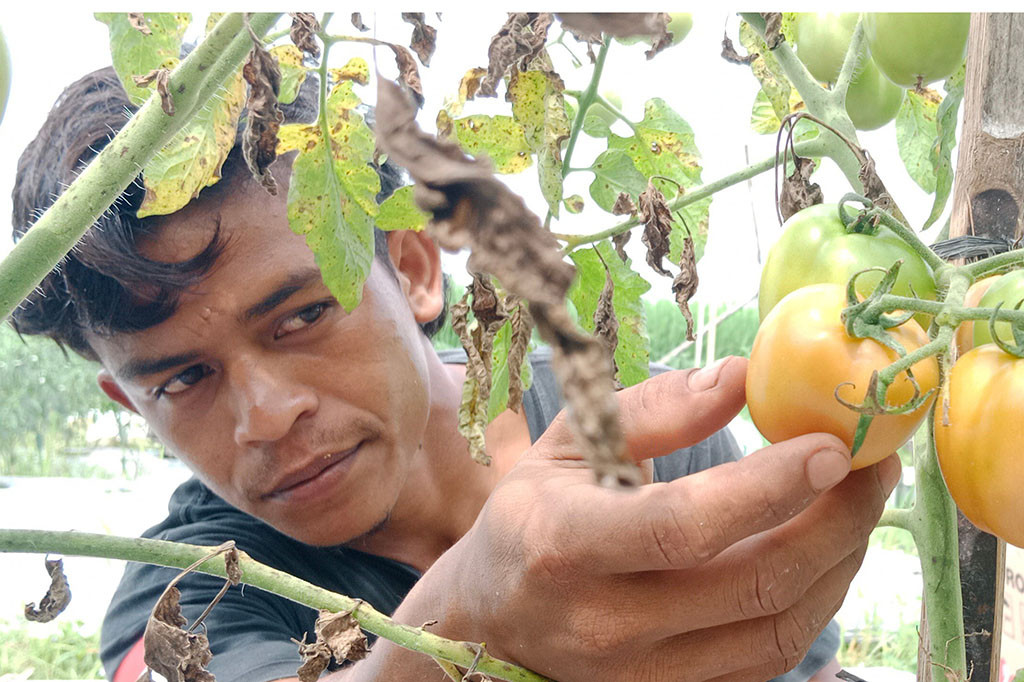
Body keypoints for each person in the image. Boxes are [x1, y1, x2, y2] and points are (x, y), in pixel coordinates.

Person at [9, 66, 899, 682]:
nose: (267, 416)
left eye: (303, 314)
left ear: (417, 267)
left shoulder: (635, 424)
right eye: (181, 381)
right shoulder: (182, 601)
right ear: (128, 401)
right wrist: (465, 622)